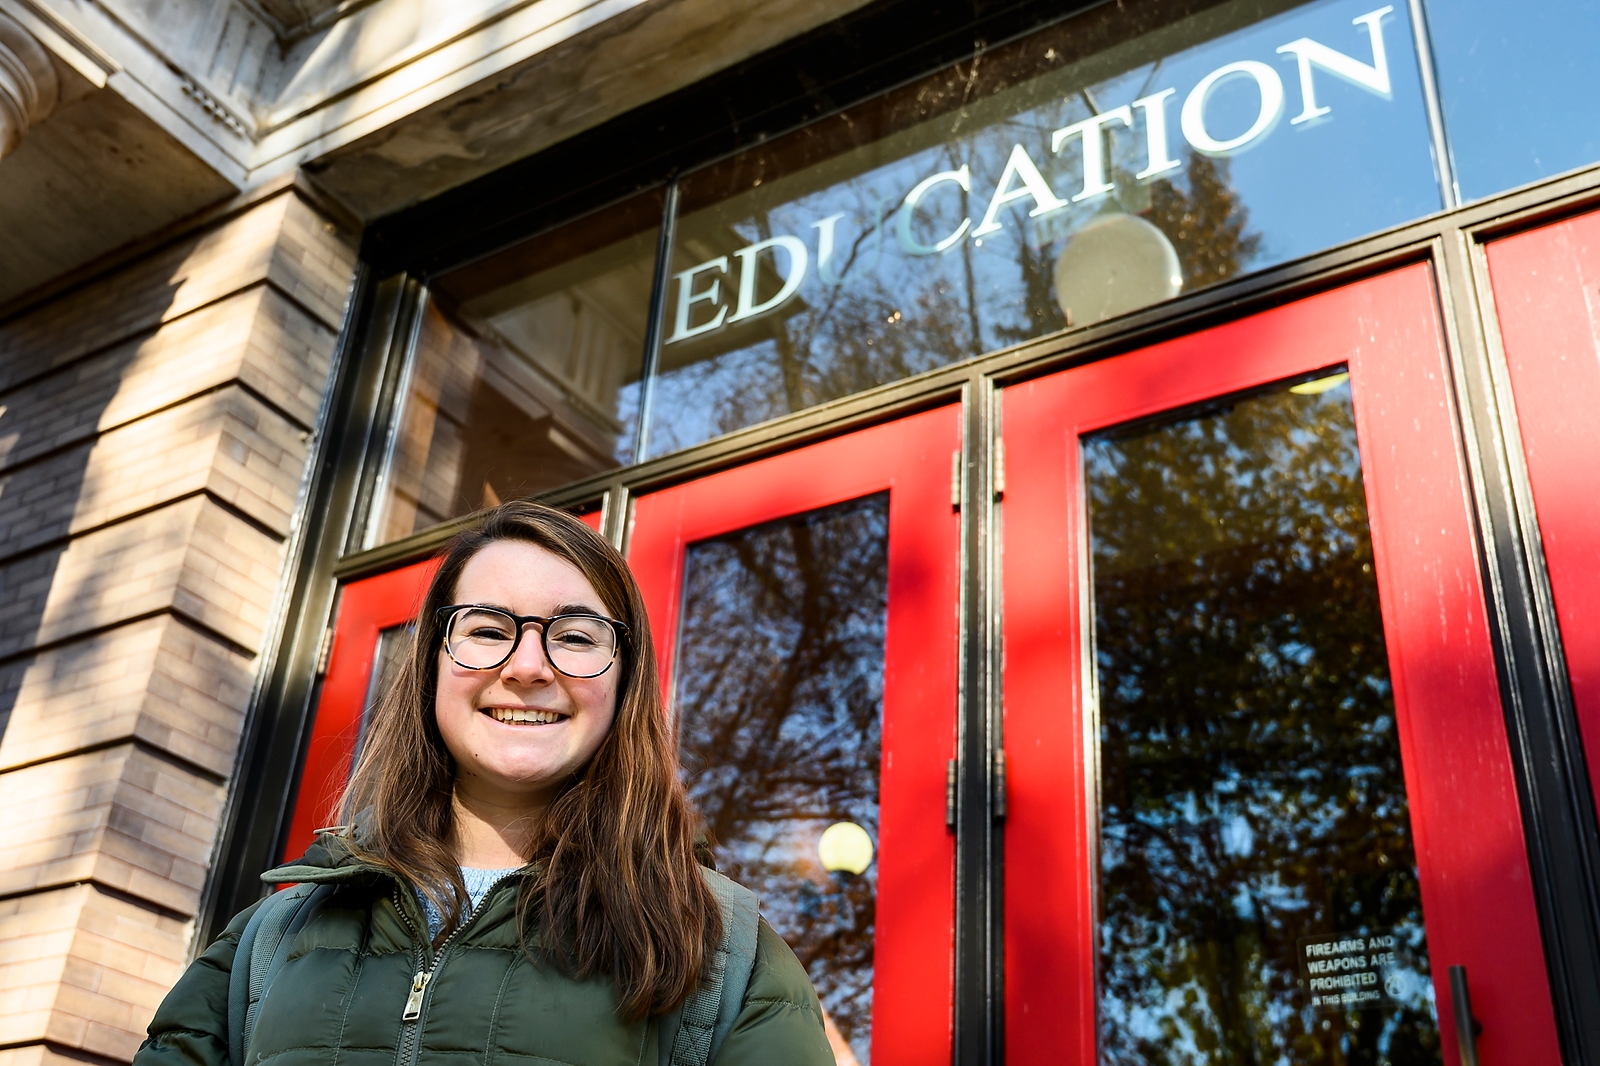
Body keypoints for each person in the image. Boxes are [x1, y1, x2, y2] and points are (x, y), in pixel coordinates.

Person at [132, 501, 835, 1066]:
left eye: (577, 636)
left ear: (623, 687)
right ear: (433, 664)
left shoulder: (720, 950)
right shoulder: (275, 933)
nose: (529, 665)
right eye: (489, 628)